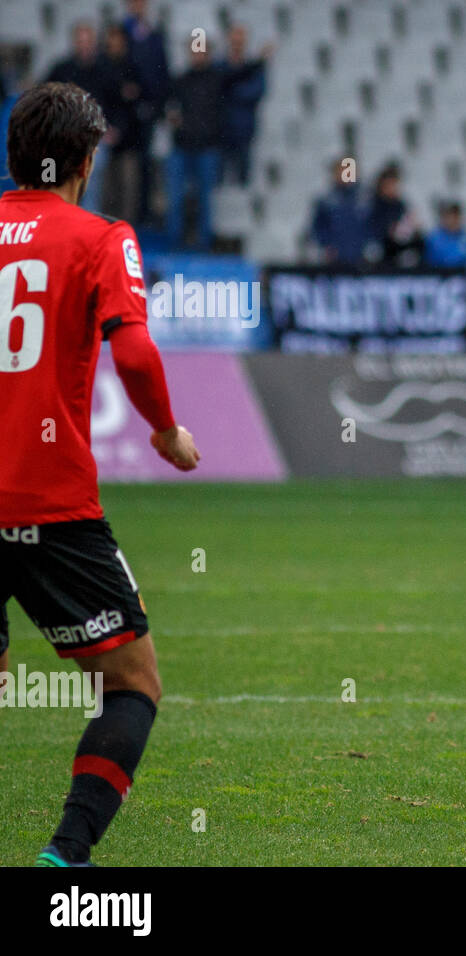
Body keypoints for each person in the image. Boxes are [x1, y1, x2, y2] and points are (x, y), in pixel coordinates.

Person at [0, 82, 200, 866]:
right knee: (132, 681)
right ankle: (65, 857)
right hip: (48, 503)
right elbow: (136, 350)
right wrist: (164, 431)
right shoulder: (99, 236)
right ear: (85, 159)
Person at [45, 22, 114, 213]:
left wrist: (113, 128)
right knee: (61, 187)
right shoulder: (61, 69)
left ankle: (87, 235)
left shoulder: (105, 70)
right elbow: (43, 99)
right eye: (80, 41)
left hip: (94, 140)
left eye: (88, 41)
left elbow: (116, 102)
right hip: (64, 139)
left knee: (90, 189)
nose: (84, 45)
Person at [163, 44, 224, 248]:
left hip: (207, 147)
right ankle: (174, 243)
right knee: (175, 198)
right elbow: (167, 105)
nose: (198, 55)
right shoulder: (181, 80)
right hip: (181, 147)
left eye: (202, 51)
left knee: (205, 199)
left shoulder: (216, 79)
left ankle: (204, 245)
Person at [122, 0, 170, 226]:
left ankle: (144, 214)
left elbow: (162, 71)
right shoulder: (120, 32)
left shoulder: (155, 34)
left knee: (147, 166)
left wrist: (158, 107)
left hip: (149, 112)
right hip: (123, 113)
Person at [100, 24, 145, 222]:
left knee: (128, 190)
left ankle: (125, 233)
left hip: (129, 140)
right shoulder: (99, 67)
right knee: (106, 190)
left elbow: (139, 101)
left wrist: (120, 129)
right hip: (102, 138)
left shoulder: (134, 67)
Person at [220, 24, 270, 186]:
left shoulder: (253, 67)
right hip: (222, 128)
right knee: (219, 179)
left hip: (244, 127)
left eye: (240, 40)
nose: (237, 44)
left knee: (243, 179)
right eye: (234, 40)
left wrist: (230, 90)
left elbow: (256, 92)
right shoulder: (220, 65)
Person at [309, 157, 369, 265]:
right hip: (334, 259)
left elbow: (372, 226)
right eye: (341, 170)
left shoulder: (365, 200)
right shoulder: (325, 201)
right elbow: (318, 228)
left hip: (360, 258)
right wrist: (327, 245)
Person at [367, 161, 422, 266]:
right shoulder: (373, 205)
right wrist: (388, 230)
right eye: (389, 184)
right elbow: (370, 228)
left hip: (398, 247)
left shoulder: (401, 205)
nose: (392, 188)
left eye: (394, 184)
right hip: (381, 248)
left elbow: (408, 225)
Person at [424, 200, 466, 268]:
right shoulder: (434, 238)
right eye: (450, 215)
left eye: (456, 216)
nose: (453, 220)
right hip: (440, 276)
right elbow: (434, 260)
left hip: (465, 277)